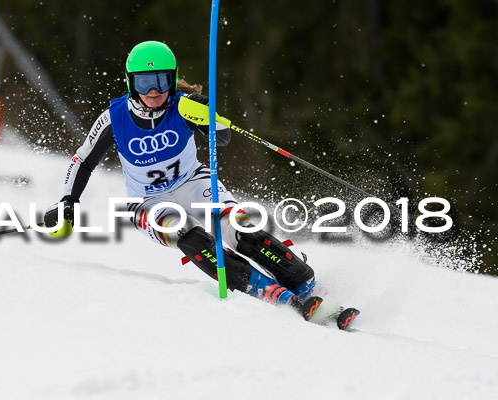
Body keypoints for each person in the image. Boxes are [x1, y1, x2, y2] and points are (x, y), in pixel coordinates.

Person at [43, 41, 320, 319]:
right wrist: (68, 200)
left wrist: (209, 114)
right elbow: (84, 160)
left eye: (161, 81)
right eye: (144, 83)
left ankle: (301, 279)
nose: (153, 92)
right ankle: (266, 290)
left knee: (236, 225)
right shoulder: (114, 118)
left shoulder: (183, 106)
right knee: (187, 233)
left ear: (173, 80)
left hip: (193, 184)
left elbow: (223, 138)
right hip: (147, 202)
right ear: (130, 83)